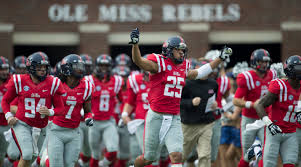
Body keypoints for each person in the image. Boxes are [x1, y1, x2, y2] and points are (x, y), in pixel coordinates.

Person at [129, 28, 232, 167]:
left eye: (183, 50)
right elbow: (138, 61)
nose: (182, 53)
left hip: (174, 117)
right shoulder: (159, 63)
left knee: (177, 155)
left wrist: (220, 58)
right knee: (149, 158)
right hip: (156, 116)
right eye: (179, 50)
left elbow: (200, 72)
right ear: (169, 50)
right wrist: (135, 45)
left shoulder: (183, 66)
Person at [1, 52, 65, 167]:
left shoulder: (52, 83)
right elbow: (5, 101)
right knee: (26, 155)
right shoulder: (19, 81)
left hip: (41, 127)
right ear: (31, 68)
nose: (43, 70)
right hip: (22, 124)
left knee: (34, 156)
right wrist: (9, 116)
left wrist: (50, 112)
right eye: (39, 67)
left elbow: (61, 108)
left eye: (44, 67)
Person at [46, 54, 94, 167]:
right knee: (56, 164)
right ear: (67, 68)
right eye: (77, 66)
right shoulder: (55, 84)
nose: (80, 69)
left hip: (74, 132)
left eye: (81, 66)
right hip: (56, 130)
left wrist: (89, 118)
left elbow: (87, 111)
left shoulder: (86, 86)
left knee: (70, 164)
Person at [254, 55, 301, 167]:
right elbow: (259, 105)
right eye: (298, 68)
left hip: (291, 132)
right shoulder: (279, 86)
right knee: (269, 163)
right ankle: (256, 149)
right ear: (290, 70)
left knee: (290, 163)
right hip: (275, 130)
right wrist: (269, 124)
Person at [233, 49, 277, 167]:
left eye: (266, 62)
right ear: (254, 62)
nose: (264, 64)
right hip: (249, 119)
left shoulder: (273, 74)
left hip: (265, 118)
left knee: (266, 152)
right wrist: (252, 105)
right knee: (247, 155)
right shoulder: (247, 77)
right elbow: (236, 100)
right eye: (261, 62)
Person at [180, 60, 219, 167]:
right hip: (189, 124)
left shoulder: (213, 84)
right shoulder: (186, 84)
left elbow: (215, 99)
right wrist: (190, 102)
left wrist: (215, 104)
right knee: (181, 155)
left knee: (204, 155)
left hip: (206, 123)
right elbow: (177, 102)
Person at [87, 54, 123, 167]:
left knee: (113, 150)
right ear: (97, 66)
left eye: (106, 65)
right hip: (94, 122)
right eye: (101, 65)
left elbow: (122, 100)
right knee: (95, 154)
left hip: (109, 121)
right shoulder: (89, 81)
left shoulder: (116, 80)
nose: (104, 68)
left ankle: (103, 165)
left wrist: (122, 114)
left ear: (110, 66)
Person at [0, 57, 11, 167]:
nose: (4, 72)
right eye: (1, 69)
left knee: (3, 153)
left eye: (6, 69)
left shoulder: (12, 82)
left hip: (6, 123)